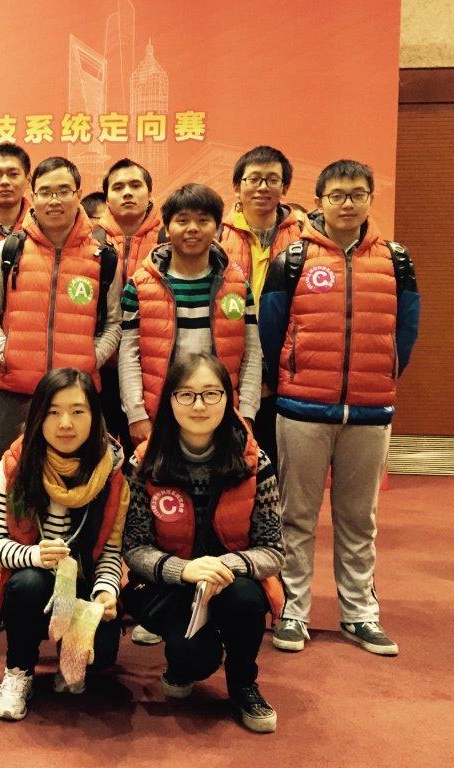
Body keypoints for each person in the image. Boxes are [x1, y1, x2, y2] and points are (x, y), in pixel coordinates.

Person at [259, 160, 420, 657]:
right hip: (302, 406)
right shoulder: (293, 258)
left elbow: (406, 330)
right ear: (319, 200)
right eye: (337, 195)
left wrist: (380, 375)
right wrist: (294, 373)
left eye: (356, 194)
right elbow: (271, 329)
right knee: (295, 516)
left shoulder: (395, 260)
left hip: (370, 411)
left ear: (370, 198)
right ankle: (293, 611)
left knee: (359, 519)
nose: (347, 203)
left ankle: (359, 614)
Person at [122, 353, 284, 734]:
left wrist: (226, 565)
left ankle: (243, 683)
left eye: (211, 394)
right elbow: (135, 546)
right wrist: (186, 570)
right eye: (187, 394)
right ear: (170, 400)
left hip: (230, 581)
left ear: (228, 398)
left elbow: (273, 549)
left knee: (246, 598)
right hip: (169, 584)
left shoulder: (254, 461)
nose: (199, 405)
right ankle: (182, 664)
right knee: (196, 656)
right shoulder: (145, 462)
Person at [0, 368, 127, 721]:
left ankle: (71, 659)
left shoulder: (111, 472)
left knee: (103, 652)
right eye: (53, 412)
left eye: (78, 411)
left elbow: (111, 552)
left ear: (94, 416)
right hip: (37, 580)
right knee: (27, 584)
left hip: (85, 581)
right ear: (38, 417)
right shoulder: (15, 466)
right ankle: (19, 670)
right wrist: (34, 555)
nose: (65, 423)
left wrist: (106, 591)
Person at [0, 156, 122, 464]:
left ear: (78, 194)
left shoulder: (103, 258)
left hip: (78, 398)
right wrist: (7, 354)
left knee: (80, 480)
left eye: (63, 191)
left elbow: (113, 323)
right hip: (15, 397)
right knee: (11, 479)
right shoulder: (6, 252)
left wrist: (91, 358)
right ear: (34, 195)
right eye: (45, 192)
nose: (54, 200)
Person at [118, 183, 262, 449]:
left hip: (221, 413)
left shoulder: (237, 285)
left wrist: (247, 413)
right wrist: (136, 414)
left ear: (217, 227)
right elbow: (129, 353)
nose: (192, 228)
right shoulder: (140, 284)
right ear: (167, 226)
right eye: (182, 220)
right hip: (158, 414)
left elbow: (252, 352)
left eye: (203, 220)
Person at [97, 157, 166, 645]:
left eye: (135, 185)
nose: (126, 193)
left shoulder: (168, 239)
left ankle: (148, 593)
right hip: (99, 377)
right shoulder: (92, 240)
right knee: (105, 482)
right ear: (105, 196)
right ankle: (104, 581)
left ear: (148, 193)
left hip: (151, 378)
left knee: (151, 487)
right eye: (117, 186)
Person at [219, 146, 306, 468]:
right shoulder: (217, 235)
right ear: (237, 186)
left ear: (285, 187)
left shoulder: (305, 238)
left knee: (278, 459)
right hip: (231, 361)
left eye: (272, 180)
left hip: (284, 364)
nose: (262, 187)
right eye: (253, 179)